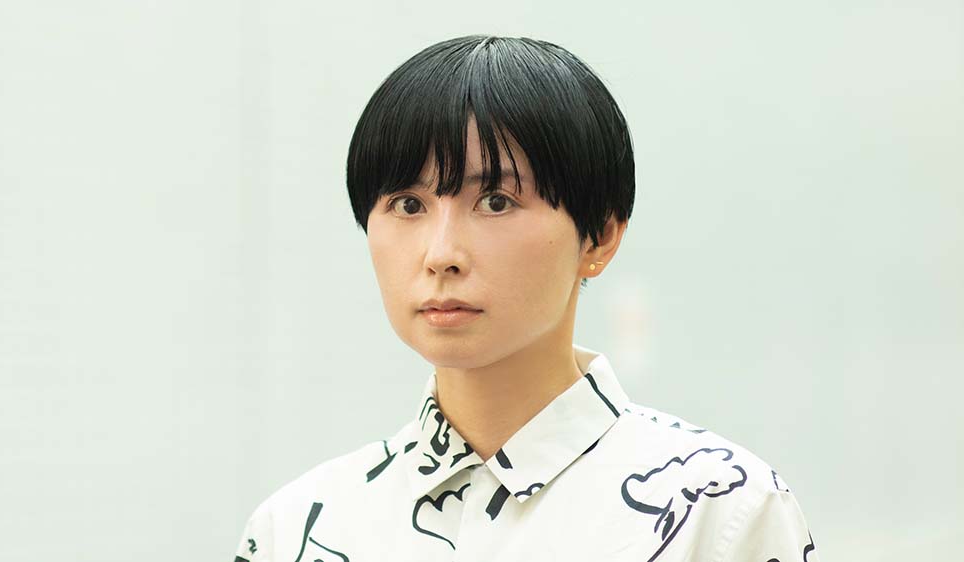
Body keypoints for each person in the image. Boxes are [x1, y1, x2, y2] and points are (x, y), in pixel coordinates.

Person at [232, 34, 819, 561]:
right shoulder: (298, 530)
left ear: (600, 236)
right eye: (408, 205)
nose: (441, 254)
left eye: (495, 202)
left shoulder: (720, 512)